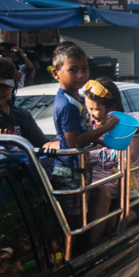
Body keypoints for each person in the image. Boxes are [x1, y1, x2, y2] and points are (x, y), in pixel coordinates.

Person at [82, 77, 139, 233]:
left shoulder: (128, 120)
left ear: (112, 107)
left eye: (95, 109)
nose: (91, 113)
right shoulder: (88, 127)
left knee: (115, 223)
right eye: (88, 108)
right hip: (94, 196)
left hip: (127, 197)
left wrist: (114, 127)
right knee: (101, 193)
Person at [50, 42, 116, 191]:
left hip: (79, 166)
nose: (80, 75)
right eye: (72, 70)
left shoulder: (77, 99)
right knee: (74, 213)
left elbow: (82, 134)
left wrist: (101, 140)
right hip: (68, 169)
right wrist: (105, 128)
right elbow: (73, 142)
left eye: (84, 69)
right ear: (56, 74)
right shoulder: (67, 105)